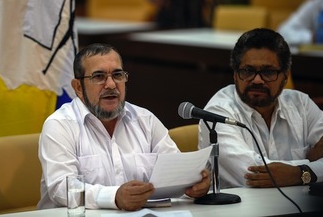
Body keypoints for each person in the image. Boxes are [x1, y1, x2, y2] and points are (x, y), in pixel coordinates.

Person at [37, 43, 210, 211]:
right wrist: (114, 197)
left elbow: (176, 171)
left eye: (117, 75)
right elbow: (62, 188)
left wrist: (193, 184)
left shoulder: (145, 120)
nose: (111, 85)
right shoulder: (60, 125)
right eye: (99, 77)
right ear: (78, 88)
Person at [198, 28, 323, 189]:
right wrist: (307, 165)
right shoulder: (217, 112)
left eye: (268, 72)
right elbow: (252, 175)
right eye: (247, 71)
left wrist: (298, 173)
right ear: (234, 75)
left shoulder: (301, 104)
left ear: (285, 76)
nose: (257, 80)